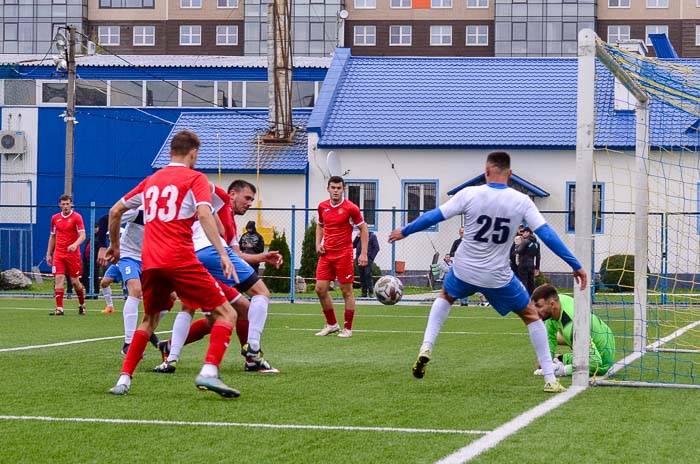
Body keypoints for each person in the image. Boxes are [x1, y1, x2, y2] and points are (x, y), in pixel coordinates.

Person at [388, 151, 587, 393]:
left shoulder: (470, 193)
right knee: (531, 317)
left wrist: (405, 231)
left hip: (463, 270)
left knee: (445, 297)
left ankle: (426, 347)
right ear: (510, 174)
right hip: (497, 275)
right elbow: (546, 234)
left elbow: (434, 215)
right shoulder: (522, 200)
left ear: (486, 172)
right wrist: (574, 264)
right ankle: (549, 378)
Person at [105, 129, 240, 398]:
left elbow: (114, 211)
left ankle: (123, 380)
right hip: (180, 258)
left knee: (149, 320)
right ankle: (209, 371)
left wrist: (115, 247)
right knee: (227, 314)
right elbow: (204, 213)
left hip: (151, 261)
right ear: (193, 154)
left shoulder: (151, 180)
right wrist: (223, 253)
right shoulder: (195, 178)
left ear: (170, 153)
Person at [154, 180, 282, 374]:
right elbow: (203, 184)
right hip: (211, 254)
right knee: (257, 295)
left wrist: (263, 256)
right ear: (232, 194)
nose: (249, 203)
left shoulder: (230, 224)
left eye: (252, 200)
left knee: (205, 314)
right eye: (247, 198)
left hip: (193, 256)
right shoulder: (220, 200)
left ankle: (170, 354)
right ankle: (252, 353)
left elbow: (236, 254)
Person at [98, 207, 162, 355]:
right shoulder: (138, 212)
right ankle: (128, 344)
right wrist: (102, 246)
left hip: (148, 259)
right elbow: (104, 220)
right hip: (128, 256)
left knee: (165, 297)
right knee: (135, 289)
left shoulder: (166, 216)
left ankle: (147, 329)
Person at [315, 175, 368, 338]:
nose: (336, 191)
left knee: (347, 291)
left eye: (339, 188)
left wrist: (363, 253)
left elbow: (364, 229)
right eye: (333, 187)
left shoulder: (351, 208)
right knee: (320, 289)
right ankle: (332, 324)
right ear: (328, 189)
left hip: (343, 254)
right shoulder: (322, 206)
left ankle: (348, 328)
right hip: (326, 254)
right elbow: (320, 225)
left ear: (343, 189)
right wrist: (318, 244)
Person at [531, 284, 616, 377]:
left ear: (552, 304)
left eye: (539, 306)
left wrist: (562, 370)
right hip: (598, 336)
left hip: (602, 361)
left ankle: (562, 363)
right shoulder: (557, 303)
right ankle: (560, 359)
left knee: (583, 357)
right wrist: (546, 360)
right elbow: (550, 338)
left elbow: (595, 363)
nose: (535, 310)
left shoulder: (573, 324)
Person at [46, 194, 87, 316]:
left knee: (75, 281)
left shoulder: (77, 217)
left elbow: (83, 235)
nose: (65, 206)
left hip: (72, 255)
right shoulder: (55, 218)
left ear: (71, 204)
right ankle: (59, 308)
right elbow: (52, 236)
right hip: (59, 254)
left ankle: (82, 304)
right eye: (63, 204)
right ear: (59, 205)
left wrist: (75, 245)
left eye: (67, 204)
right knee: (59, 278)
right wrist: (49, 253)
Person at [353, 230, 380, 298]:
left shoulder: (372, 236)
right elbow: (353, 245)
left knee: (367, 274)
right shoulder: (359, 236)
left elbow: (376, 248)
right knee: (361, 276)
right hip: (359, 260)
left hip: (367, 260)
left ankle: (371, 292)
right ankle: (364, 293)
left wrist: (370, 258)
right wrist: (357, 237)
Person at [515, 226, 541, 295]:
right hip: (531, 265)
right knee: (531, 283)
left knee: (523, 282)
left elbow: (519, 251)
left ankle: (524, 299)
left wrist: (517, 245)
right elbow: (538, 257)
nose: (523, 234)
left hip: (523, 264)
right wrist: (537, 268)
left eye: (524, 232)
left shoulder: (526, 241)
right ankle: (532, 298)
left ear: (528, 232)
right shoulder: (537, 243)